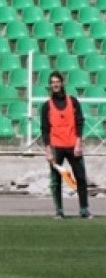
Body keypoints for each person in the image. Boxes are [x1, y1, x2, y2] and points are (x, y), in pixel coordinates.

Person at [41, 71, 92, 219]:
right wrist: (48, 150)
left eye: (57, 81)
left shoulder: (73, 101)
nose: (55, 84)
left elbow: (79, 122)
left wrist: (78, 143)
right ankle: (59, 211)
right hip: (56, 147)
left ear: (62, 83)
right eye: (52, 82)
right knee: (56, 180)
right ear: (50, 85)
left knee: (81, 177)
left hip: (72, 145)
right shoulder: (47, 106)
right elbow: (44, 129)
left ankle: (84, 209)